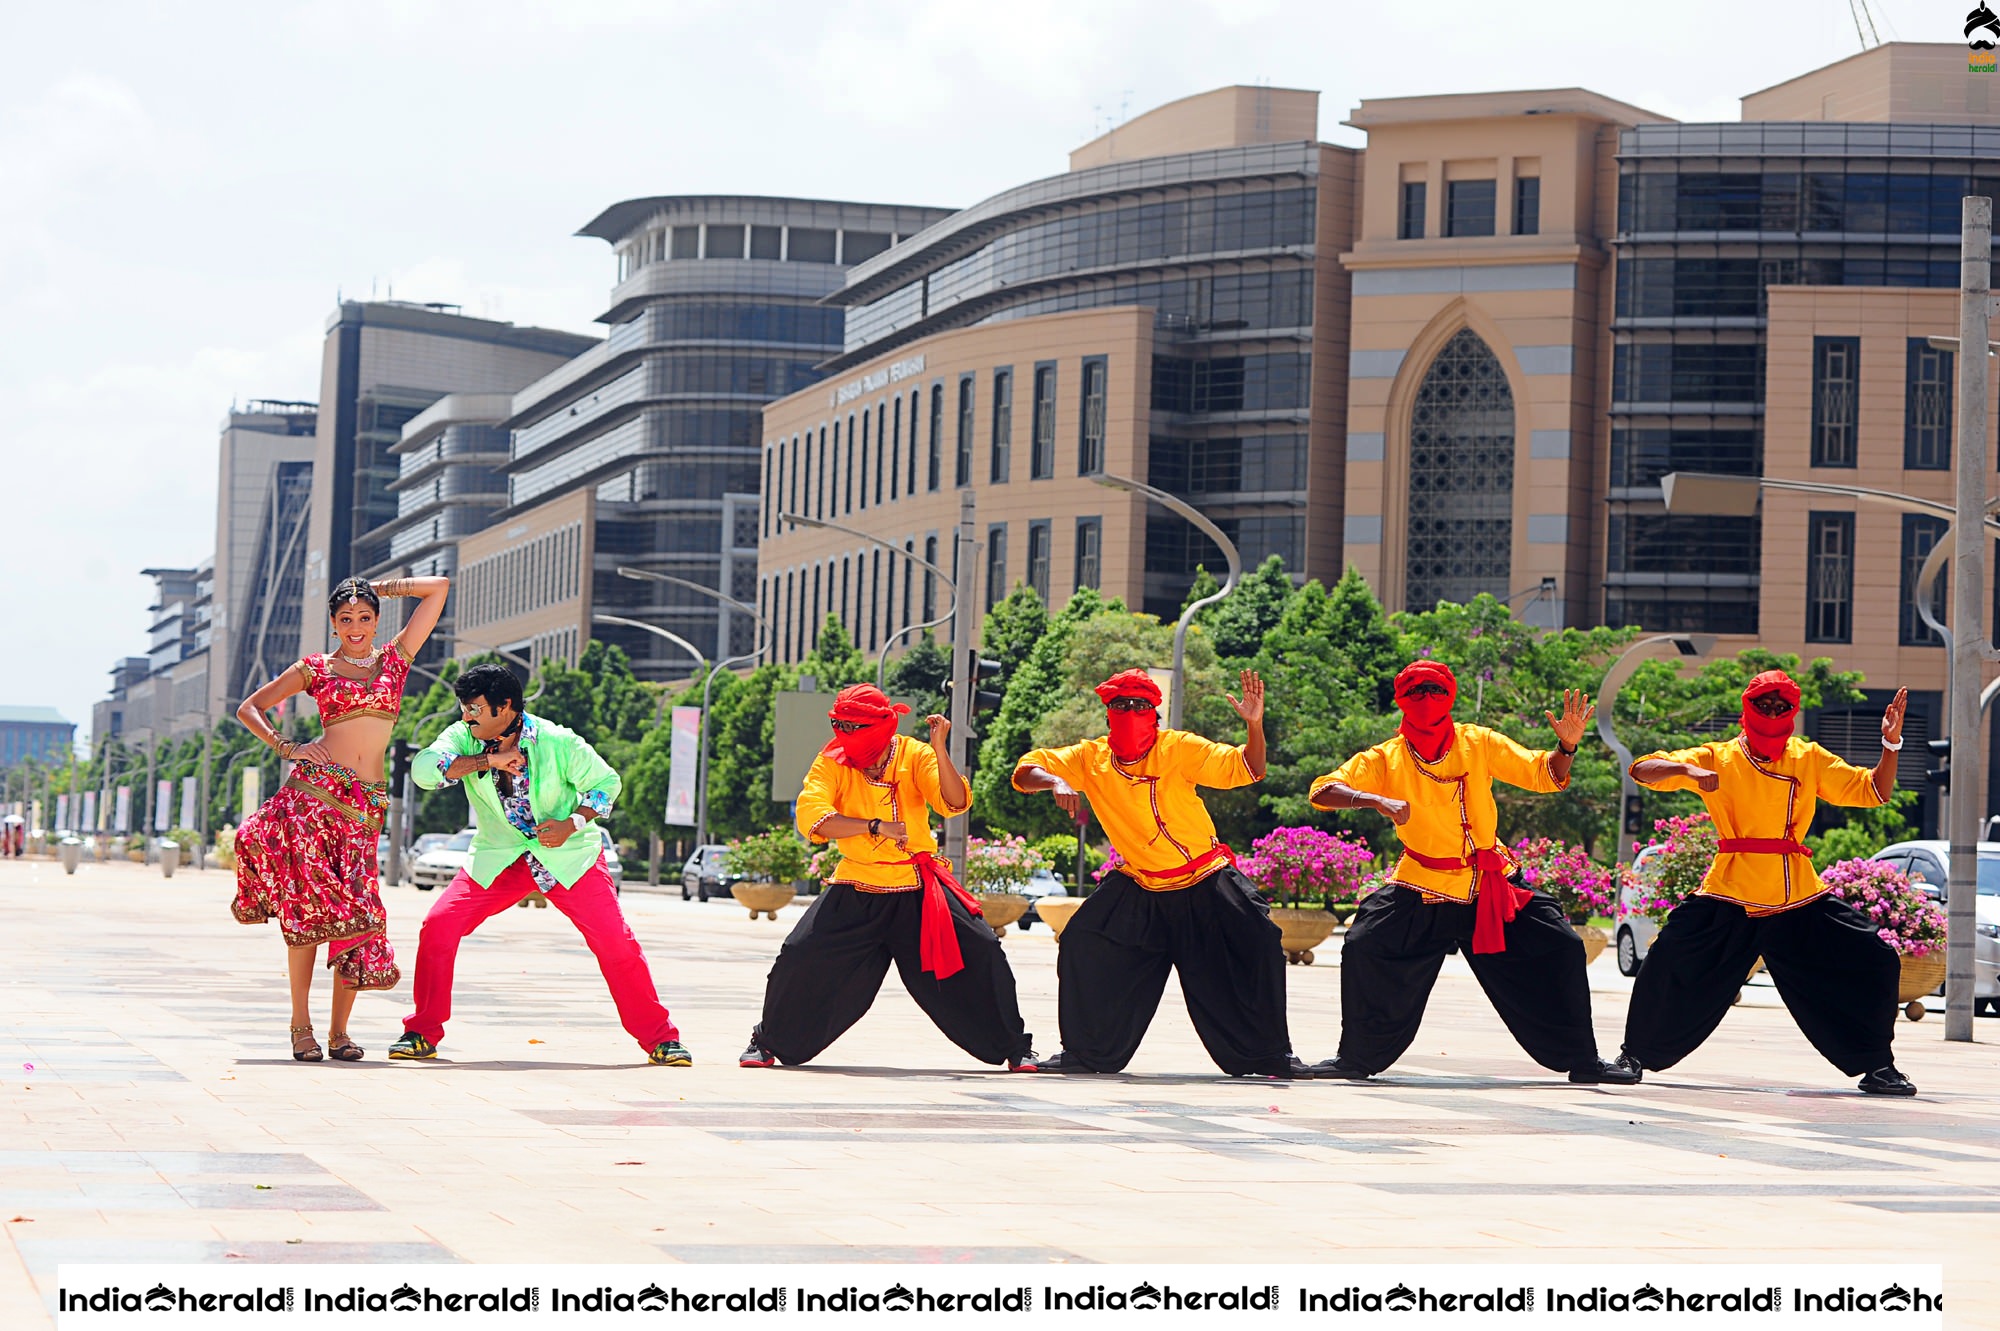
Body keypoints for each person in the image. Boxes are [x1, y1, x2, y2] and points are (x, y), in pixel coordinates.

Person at [1307, 660, 1635, 1084]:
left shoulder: (1478, 741)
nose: (1426, 698)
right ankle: (1354, 1058)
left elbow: (1542, 773)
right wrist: (1373, 800)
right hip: (1423, 883)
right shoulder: (1385, 758)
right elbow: (1323, 790)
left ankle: (1584, 1062)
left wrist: (1566, 748)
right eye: (1417, 691)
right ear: (1402, 700)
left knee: (1563, 947)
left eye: (1435, 690)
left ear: (1451, 696)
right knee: (1363, 943)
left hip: (1490, 882)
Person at [1618, 673, 1916, 1096]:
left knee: (1875, 957)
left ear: (1792, 711)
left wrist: (1890, 745)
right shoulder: (1717, 756)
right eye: (1764, 705)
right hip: (1731, 888)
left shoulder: (1808, 757)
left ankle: (1878, 1066)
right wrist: (1684, 768)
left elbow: (1874, 791)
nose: (1773, 713)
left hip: (1795, 893)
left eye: (1782, 707)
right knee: (1668, 959)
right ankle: (1634, 1056)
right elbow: (1642, 769)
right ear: (1748, 707)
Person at [1012, 668, 1314, 1078]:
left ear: (1154, 714)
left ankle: (1271, 1055)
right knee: (1083, 940)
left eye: (1140, 705)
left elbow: (1248, 768)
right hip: (1140, 883)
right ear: (1108, 715)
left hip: (1205, 878)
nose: (1130, 711)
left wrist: (1254, 725)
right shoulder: (1090, 758)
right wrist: (1056, 781)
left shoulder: (1179, 747)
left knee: (1258, 941)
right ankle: (1085, 1052)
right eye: (1121, 705)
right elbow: (1028, 769)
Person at [387, 664, 689, 1066]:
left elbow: (606, 784)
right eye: (463, 708)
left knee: (616, 942)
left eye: (475, 708)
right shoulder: (463, 736)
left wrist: (572, 823)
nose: (466, 716)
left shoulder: (556, 740)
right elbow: (425, 772)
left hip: (568, 857)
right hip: (500, 857)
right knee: (439, 925)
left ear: (505, 706)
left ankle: (660, 1039)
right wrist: (487, 762)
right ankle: (422, 1032)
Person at [740, 684, 1039, 1071]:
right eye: (839, 725)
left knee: (982, 951)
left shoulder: (914, 754)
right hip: (857, 883)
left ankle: (1015, 1046)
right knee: (800, 954)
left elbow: (953, 803)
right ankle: (768, 1042)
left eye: (856, 726)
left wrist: (940, 749)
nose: (846, 735)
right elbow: (812, 816)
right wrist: (874, 825)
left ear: (884, 723)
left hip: (917, 886)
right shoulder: (831, 761)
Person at [232, 575, 449, 1061]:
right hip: (314, 797)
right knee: (312, 912)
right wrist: (288, 747)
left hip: (364, 807)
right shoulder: (315, 668)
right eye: (346, 619)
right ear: (333, 624)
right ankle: (301, 1027)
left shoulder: (396, 659)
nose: (355, 627)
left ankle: (340, 1033)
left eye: (365, 617)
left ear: (377, 620)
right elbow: (251, 708)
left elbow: (439, 588)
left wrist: (380, 585)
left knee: (357, 915)